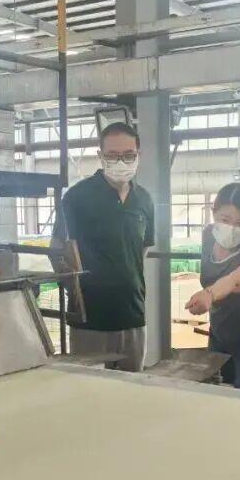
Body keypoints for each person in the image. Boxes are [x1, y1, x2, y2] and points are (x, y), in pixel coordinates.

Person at [53, 122, 154, 372]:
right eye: (112, 155)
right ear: (101, 156)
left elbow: (141, 250)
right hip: (90, 319)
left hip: (132, 314)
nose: (121, 162)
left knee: (133, 387)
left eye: (128, 155)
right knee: (90, 389)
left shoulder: (144, 199)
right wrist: (76, 292)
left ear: (138, 155)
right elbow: (57, 250)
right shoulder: (77, 198)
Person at [184, 183, 240, 392]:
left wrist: (209, 294)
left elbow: (234, 279)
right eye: (225, 219)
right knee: (216, 396)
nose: (231, 227)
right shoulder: (209, 236)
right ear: (213, 212)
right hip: (219, 334)